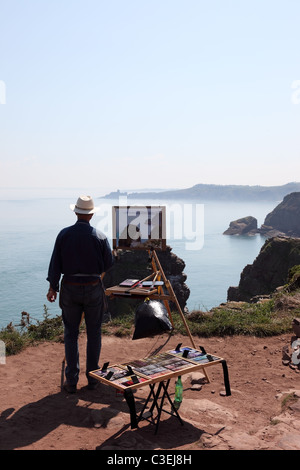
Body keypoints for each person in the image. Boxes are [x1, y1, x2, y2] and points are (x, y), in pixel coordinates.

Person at [46, 195, 113, 393]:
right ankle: (93, 378)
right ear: (91, 214)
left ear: (76, 212)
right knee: (94, 333)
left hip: (70, 286)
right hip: (93, 286)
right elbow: (108, 263)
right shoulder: (100, 236)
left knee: (71, 333)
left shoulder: (64, 234)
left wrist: (52, 287)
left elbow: (55, 264)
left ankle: (71, 381)